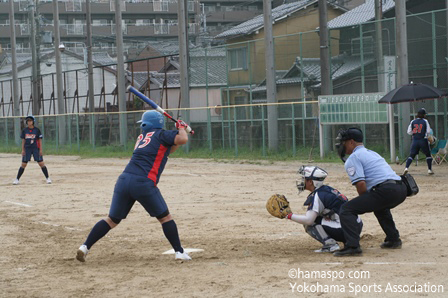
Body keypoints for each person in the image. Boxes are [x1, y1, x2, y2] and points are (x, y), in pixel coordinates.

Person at [76, 111, 192, 262]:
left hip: (124, 181)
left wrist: (179, 130)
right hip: (143, 182)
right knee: (165, 218)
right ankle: (179, 252)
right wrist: (181, 128)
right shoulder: (161, 134)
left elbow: (169, 149)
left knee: (111, 220)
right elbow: (182, 139)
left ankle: (85, 247)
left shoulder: (143, 137)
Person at [334, 127, 408, 257]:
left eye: (344, 142)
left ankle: (352, 246)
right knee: (380, 207)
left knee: (346, 209)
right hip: (401, 189)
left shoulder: (353, 157)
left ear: (351, 142)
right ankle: (393, 239)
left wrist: (364, 202)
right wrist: (368, 201)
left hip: (387, 190)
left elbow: (361, 184)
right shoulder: (371, 153)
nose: (342, 145)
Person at [284, 165, 362, 253]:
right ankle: (349, 241)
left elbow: (308, 220)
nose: (302, 180)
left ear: (310, 182)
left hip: (345, 229)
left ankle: (330, 245)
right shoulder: (327, 189)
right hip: (356, 226)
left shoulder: (317, 195)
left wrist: (288, 215)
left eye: (304, 178)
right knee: (323, 216)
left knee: (311, 223)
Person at [13, 115, 52, 185]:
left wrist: (40, 150)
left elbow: (40, 140)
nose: (29, 122)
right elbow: (23, 141)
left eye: (30, 121)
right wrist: (22, 150)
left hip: (35, 148)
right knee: (23, 164)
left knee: (41, 163)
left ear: (33, 122)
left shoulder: (37, 130)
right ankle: (17, 179)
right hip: (27, 148)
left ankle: (47, 178)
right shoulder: (25, 130)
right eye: (28, 121)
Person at [404, 108, 434, 175]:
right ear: (423, 115)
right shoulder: (425, 121)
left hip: (415, 140)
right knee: (428, 155)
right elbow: (428, 131)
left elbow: (409, 132)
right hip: (423, 140)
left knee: (411, 155)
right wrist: (426, 135)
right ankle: (429, 169)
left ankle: (406, 168)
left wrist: (415, 134)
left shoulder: (413, 121)